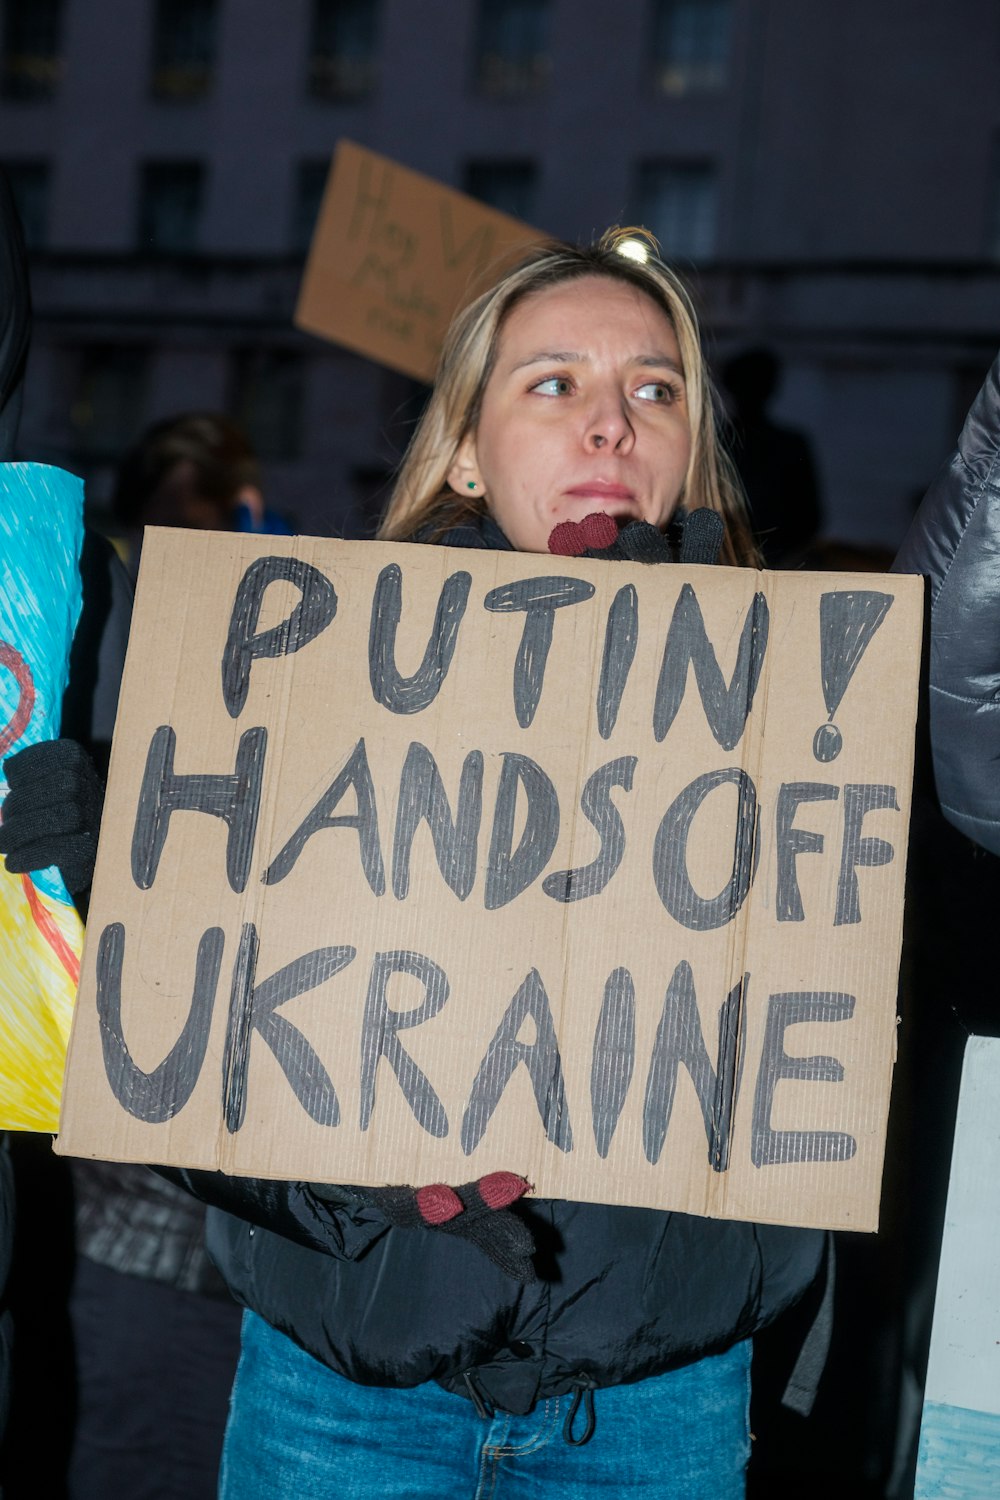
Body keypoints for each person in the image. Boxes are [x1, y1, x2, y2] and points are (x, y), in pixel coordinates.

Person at [120, 229, 824, 1500]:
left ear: (688, 446)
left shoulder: (801, 716)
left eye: (653, 390)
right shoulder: (300, 688)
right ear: (461, 446)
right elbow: (182, 1078)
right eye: (553, 383)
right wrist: (110, 884)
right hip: (342, 1399)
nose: (610, 425)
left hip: (650, 1414)